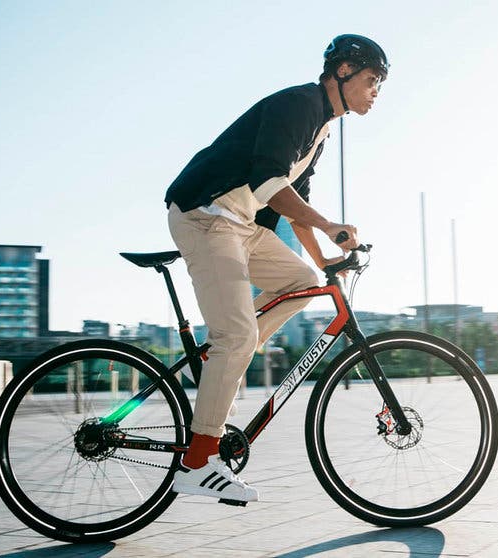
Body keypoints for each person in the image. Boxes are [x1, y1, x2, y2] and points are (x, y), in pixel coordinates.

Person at [164, 34, 389, 503]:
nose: (375, 92)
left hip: (240, 226)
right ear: (343, 71)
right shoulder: (299, 104)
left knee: (305, 283)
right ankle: (198, 460)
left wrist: (324, 259)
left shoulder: (321, 130)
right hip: (206, 215)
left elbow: (294, 201)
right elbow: (269, 182)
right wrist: (329, 227)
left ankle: (218, 360)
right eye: (372, 80)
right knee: (239, 336)